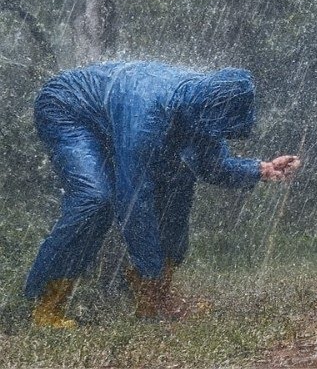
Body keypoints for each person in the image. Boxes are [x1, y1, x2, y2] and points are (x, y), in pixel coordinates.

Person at [24, 61, 301, 328]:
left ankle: (152, 298)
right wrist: (151, 270)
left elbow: (211, 166)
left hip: (113, 114)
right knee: (95, 200)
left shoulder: (203, 105)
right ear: (204, 111)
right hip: (67, 109)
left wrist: (260, 169)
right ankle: (47, 304)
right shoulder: (147, 114)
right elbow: (133, 202)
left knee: (179, 179)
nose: (217, 136)